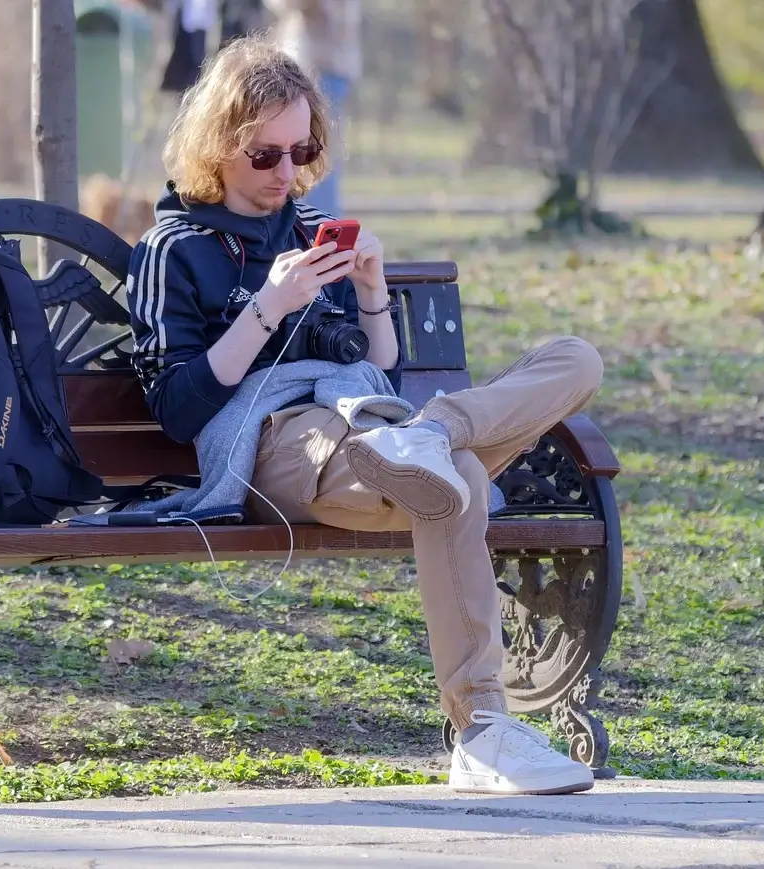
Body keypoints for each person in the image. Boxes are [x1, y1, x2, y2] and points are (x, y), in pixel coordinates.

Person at [122, 35, 604, 796]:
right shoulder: (173, 250)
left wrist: (372, 289)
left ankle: (435, 434)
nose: (287, 173)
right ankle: (483, 732)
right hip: (274, 438)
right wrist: (268, 307)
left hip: (372, 422)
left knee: (574, 360)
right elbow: (179, 410)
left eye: (301, 150)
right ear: (219, 148)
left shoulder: (311, 227)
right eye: (266, 155)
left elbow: (377, 366)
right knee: (462, 478)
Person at [264, 0, 359, 217]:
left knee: (315, 155)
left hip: (318, 65)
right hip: (325, 65)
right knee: (316, 153)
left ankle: (318, 226)